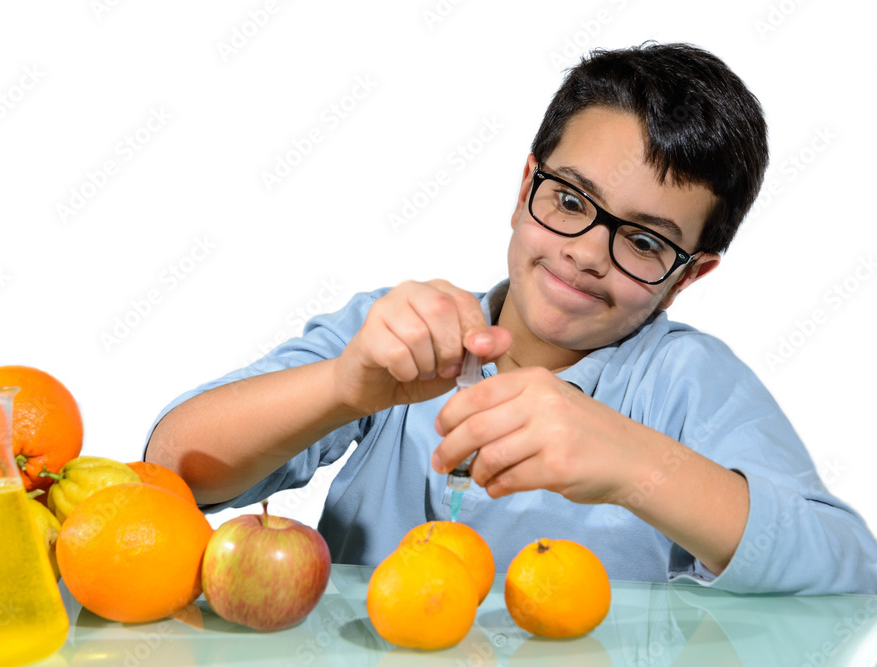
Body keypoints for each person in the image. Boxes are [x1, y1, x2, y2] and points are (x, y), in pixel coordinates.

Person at [144, 42, 877, 594]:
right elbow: (171, 468)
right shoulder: (402, 331)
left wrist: (631, 461)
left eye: (646, 241)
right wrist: (342, 384)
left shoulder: (687, 381)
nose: (588, 252)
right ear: (528, 183)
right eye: (568, 199)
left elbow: (848, 564)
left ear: (689, 275)